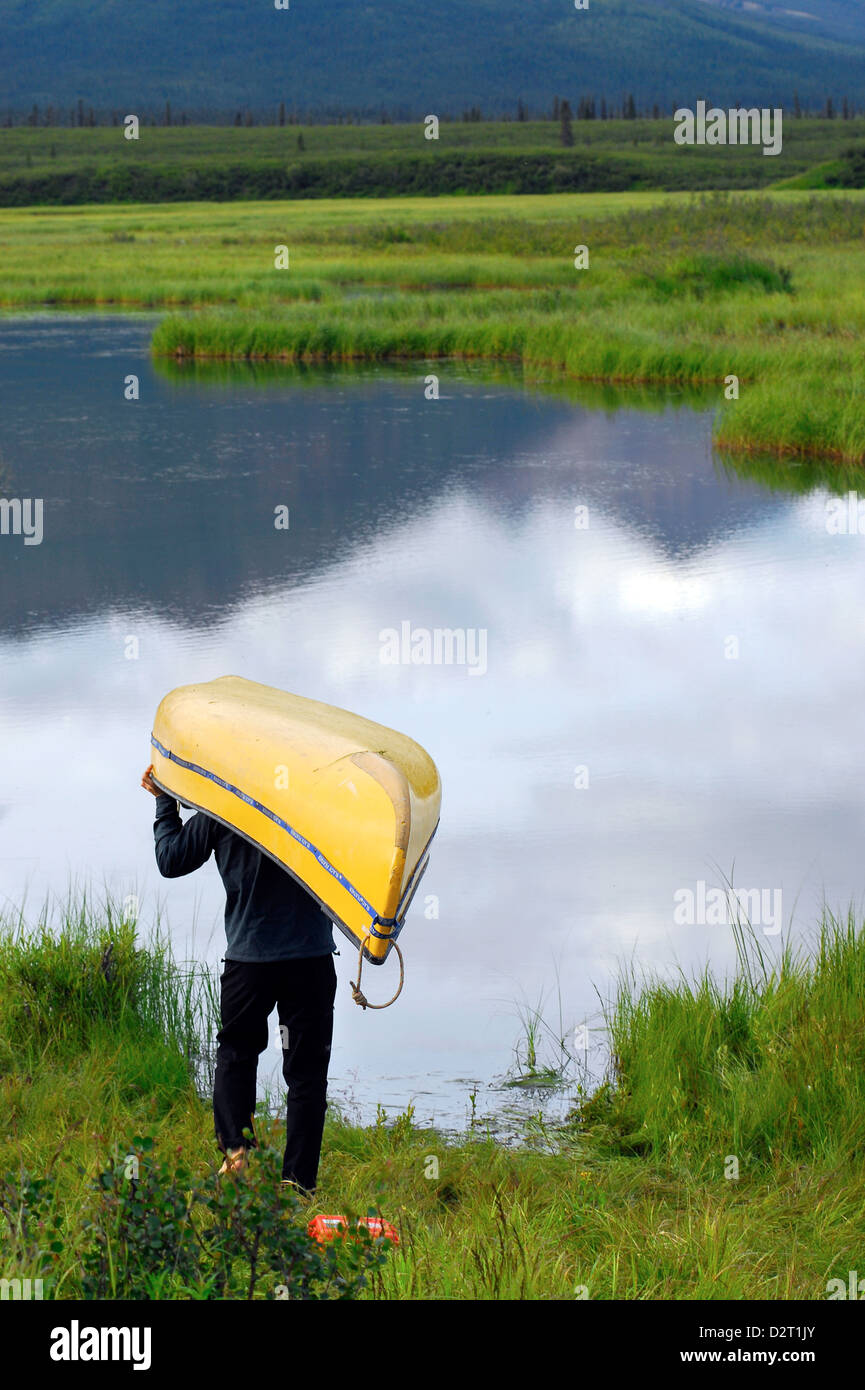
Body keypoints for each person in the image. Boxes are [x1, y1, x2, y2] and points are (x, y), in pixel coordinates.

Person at [140, 764, 337, 1194]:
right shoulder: (317, 808)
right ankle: (298, 1186)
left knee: (237, 1054)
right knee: (305, 1074)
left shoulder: (226, 805)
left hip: (250, 963)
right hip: (310, 960)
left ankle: (238, 1155)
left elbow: (170, 859)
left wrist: (164, 800)